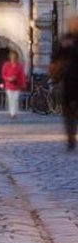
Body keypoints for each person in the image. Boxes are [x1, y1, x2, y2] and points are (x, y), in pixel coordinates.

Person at [51, 16, 78, 151]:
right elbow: (55, 57)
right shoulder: (64, 39)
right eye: (73, 23)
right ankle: (70, 139)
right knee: (68, 112)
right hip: (68, 80)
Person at [0, 49, 26, 120]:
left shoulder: (19, 66)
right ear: (10, 57)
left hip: (17, 85)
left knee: (16, 99)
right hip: (9, 85)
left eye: (15, 57)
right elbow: (3, 74)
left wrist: (23, 84)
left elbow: (22, 76)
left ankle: (14, 113)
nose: (14, 58)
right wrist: (8, 78)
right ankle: (12, 113)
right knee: (10, 99)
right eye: (12, 57)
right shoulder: (6, 65)